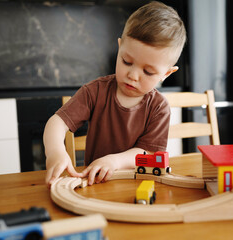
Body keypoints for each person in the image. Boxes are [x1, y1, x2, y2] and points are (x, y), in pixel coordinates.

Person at [43, 1, 186, 187]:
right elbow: (56, 122)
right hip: (94, 184)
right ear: (119, 48)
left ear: (165, 74)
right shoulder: (95, 91)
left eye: (148, 72)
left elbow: (149, 153)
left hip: (135, 184)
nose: (133, 75)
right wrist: (55, 151)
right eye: (126, 61)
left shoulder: (159, 107)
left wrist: (114, 161)